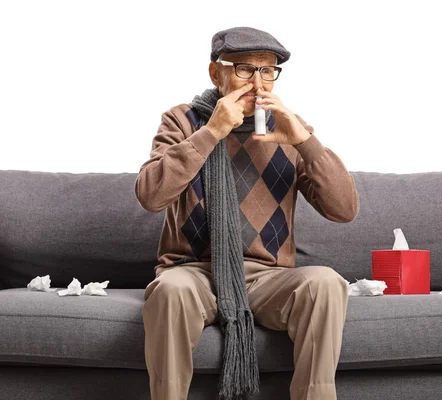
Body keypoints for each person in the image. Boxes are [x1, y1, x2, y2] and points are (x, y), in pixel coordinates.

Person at [135, 26, 360, 400]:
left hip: (267, 278)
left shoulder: (289, 127)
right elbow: (150, 194)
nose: (257, 82)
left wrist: (304, 142)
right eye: (244, 69)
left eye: (267, 71)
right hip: (195, 274)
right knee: (170, 291)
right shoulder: (182, 121)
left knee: (325, 282)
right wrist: (211, 132)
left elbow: (345, 209)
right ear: (216, 73)